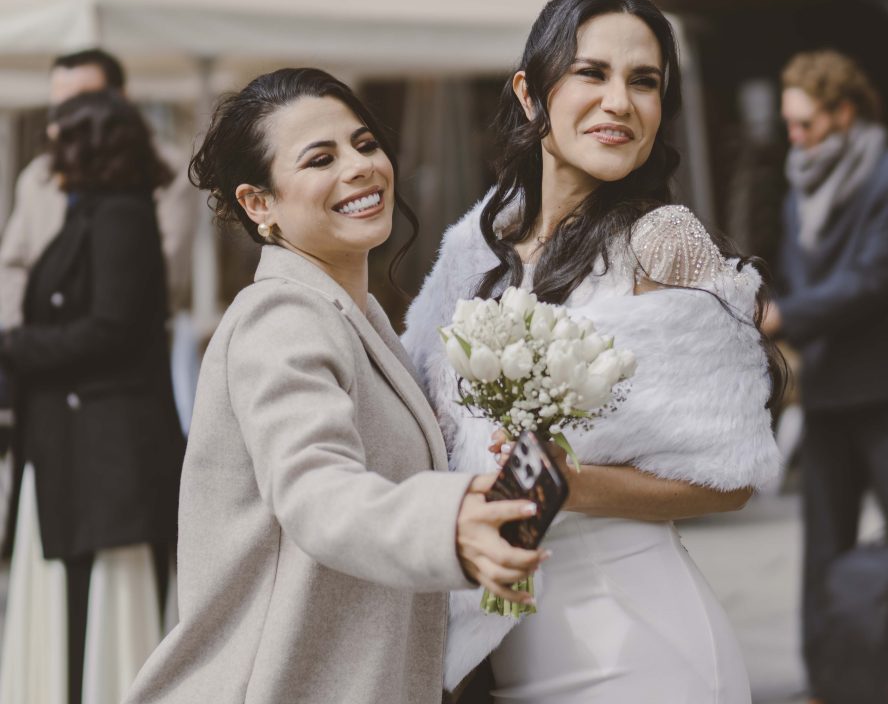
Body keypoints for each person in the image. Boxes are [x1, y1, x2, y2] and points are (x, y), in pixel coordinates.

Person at [403, 0, 783, 703]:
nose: (620, 102)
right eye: (592, 73)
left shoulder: (664, 242)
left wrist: (565, 482)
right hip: (501, 642)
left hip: (637, 646)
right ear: (529, 92)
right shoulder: (478, 248)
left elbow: (730, 477)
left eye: (645, 82)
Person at [122, 68, 544, 704]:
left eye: (365, 143)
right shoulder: (282, 318)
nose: (359, 167)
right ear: (258, 203)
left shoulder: (357, 315)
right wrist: (448, 523)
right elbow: (317, 490)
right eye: (321, 158)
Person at [763, 49, 888, 703]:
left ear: (843, 112)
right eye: (789, 126)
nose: (794, 139)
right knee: (822, 553)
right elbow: (802, 275)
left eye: (805, 124)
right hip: (826, 393)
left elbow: (875, 279)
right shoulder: (801, 181)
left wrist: (783, 315)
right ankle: (828, 683)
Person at [0, 90, 185, 704]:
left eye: (60, 137)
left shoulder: (120, 217)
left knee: (106, 612)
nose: (49, 149)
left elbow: (113, 329)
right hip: (72, 453)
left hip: (105, 461)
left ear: (91, 145)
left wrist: (15, 347)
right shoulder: (95, 213)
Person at [0, 48, 195, 328]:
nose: (66, 117)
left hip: (122, 349)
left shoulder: (162, 172)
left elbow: (166, 278)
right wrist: (23, 338)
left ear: (120, 99)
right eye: (59, 106)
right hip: (42, 349)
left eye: (81, 101)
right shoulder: (38, 175)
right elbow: (12, 265)